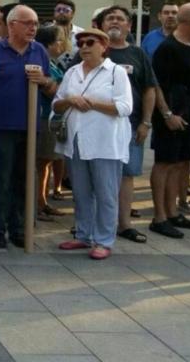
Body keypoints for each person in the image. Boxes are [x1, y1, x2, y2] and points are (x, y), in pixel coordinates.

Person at [53, 29, 133, 260]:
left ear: (104, 46)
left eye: (90, 42)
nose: (85, 47)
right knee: (80, 192)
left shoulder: (116, 72)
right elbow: (56, 104)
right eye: (81, 43)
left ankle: (104, 240)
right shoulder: (72, 72)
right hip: (76, 141)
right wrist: (70, 100)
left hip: (105, 143)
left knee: (106, 193)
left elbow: (125, 107)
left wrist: (93, 103)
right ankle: (83, 234)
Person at [0, 5, 54, 248]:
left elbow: (52, 85)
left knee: (24, 178)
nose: (33, 28)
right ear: (12, 25)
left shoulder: (39, 51)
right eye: (28, 23)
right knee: (2, 178)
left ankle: (20, 228)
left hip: (30, 126)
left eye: (35, 23)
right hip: (1, 126)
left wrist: (43, 80)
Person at [97, 6, 156, 244]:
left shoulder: (138, 54)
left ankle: (124, 225)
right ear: (101, 25)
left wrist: (146, 122)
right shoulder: (91, 50)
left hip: (130, 126)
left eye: (120, 19)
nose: (114, 22)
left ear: (129, 25)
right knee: (97, 175)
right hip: (97, 125)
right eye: (110, 18)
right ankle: (93, 223)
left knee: (127, 174)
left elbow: (150, 90)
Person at [148, 3, 190, 238]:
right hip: (171, 117)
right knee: (164, 163)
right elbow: (156, 85)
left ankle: (172, 213)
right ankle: (159, 217)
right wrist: (167, 114)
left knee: (179, 164)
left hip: (189, 117)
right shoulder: (167, 49)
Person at [33, 25, 66, 221]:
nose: (62, 44)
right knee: (41, 162)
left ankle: (43, 201)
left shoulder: (53, 62)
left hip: (52, 116)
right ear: (49, 44)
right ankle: (38, 204)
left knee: (47, 162)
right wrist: (59, 85)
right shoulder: (42, 61)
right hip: (44, 116)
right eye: (59, 40)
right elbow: (52, 89)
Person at [49, 0, 83, 65]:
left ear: (72, 14)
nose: (61, 12)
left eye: (66, 10)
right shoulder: (46, 32)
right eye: (58, 10)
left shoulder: (81, 33)